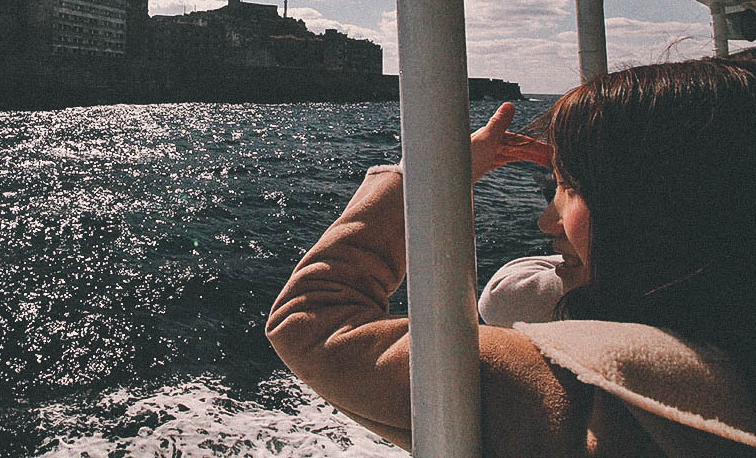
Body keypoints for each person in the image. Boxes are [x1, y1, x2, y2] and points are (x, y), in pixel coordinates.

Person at [267, 58, 756, 456]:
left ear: (660, 206)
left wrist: (427, 176)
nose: (547, 221)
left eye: (569, 185)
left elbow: (310, 320)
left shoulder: (579, 391)